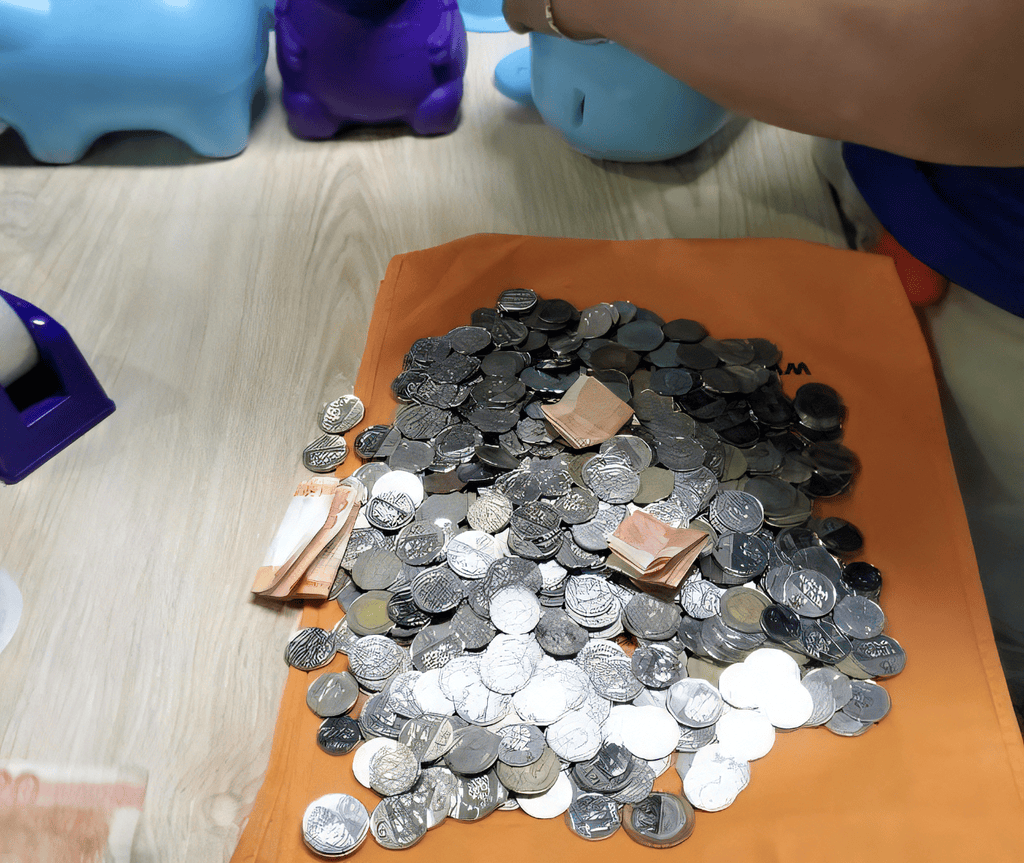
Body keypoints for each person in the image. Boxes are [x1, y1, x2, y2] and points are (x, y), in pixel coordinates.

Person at [504, 0, 1024, 726]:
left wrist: (575, 6)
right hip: (886, 171)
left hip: (996, 297)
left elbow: (955, 72)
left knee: (984, 636)